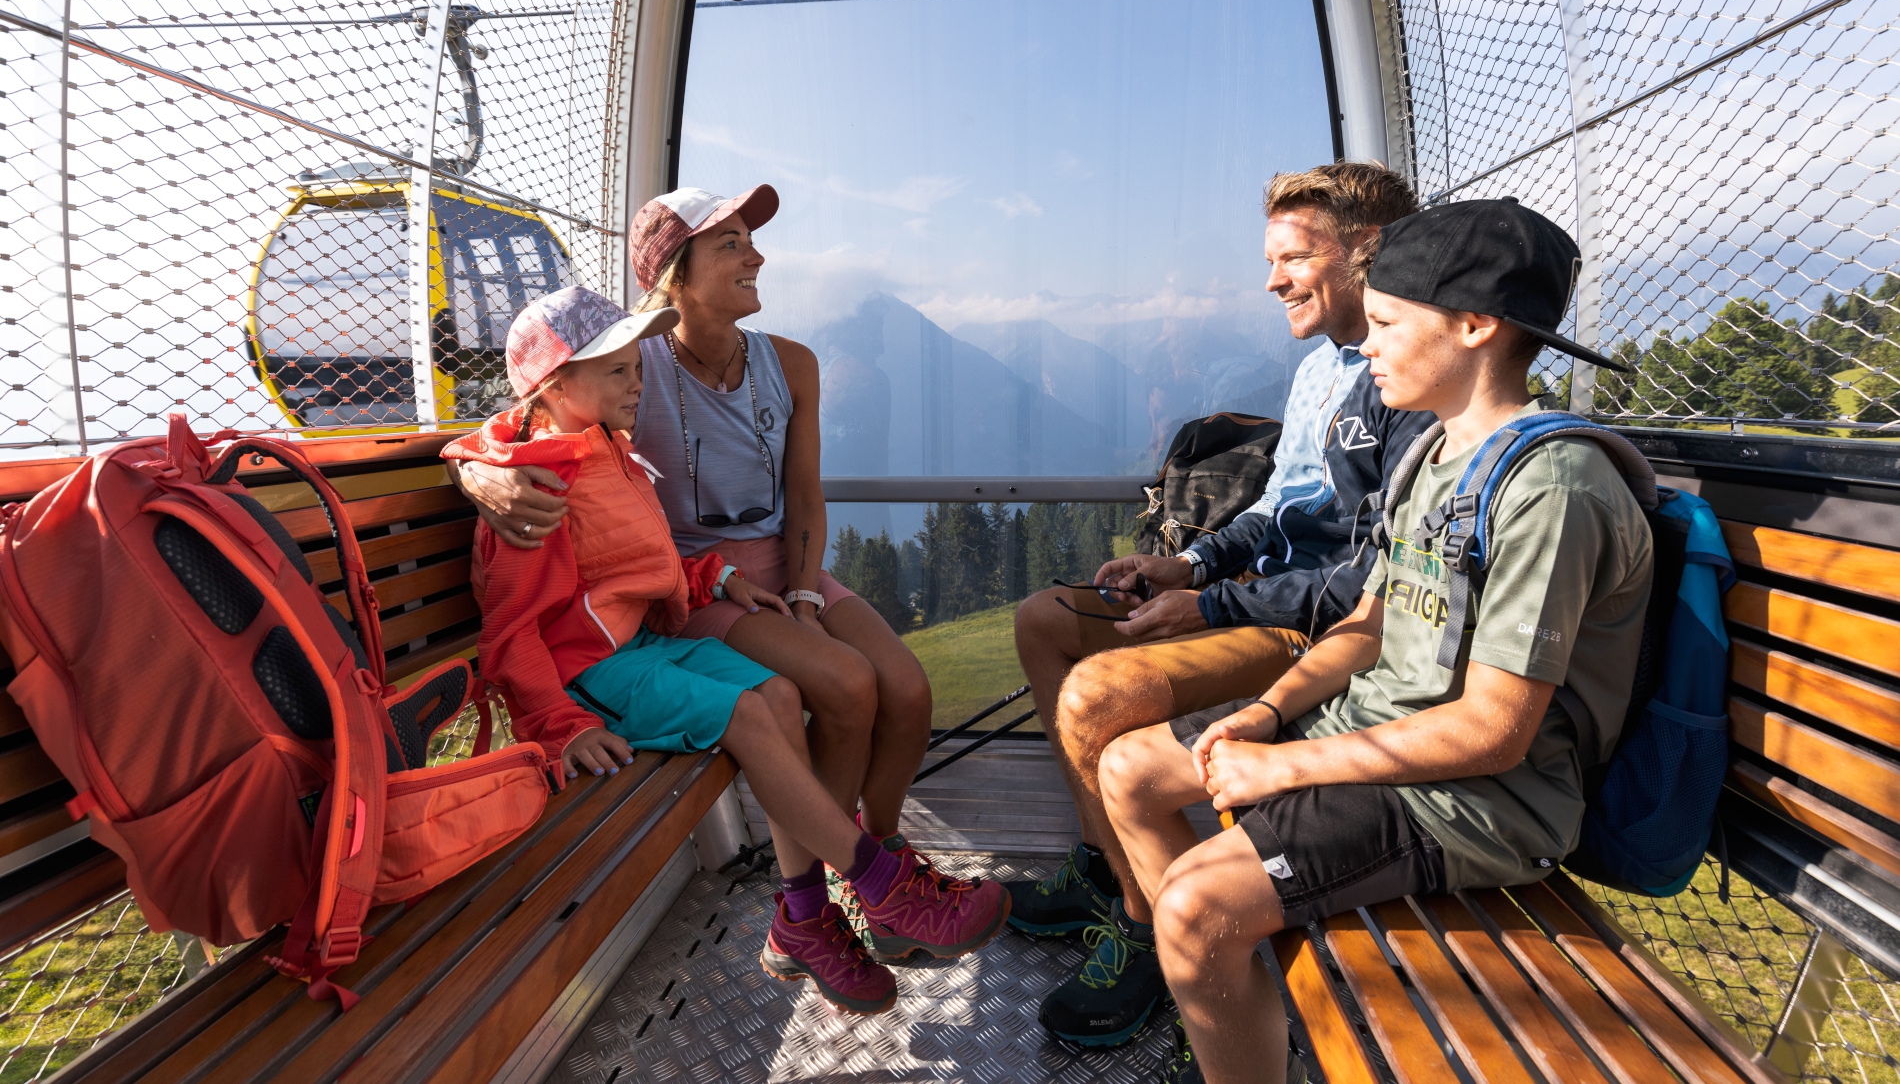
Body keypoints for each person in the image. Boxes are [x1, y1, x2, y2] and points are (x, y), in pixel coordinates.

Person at [1099, 200, 1650, 1084]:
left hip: (1470, 798)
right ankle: (1228, 1009)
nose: (1371, 348)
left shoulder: (1554, 490)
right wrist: (1268, 714)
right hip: (1372, 734)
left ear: (1474, 326)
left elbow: (1493, 732)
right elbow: (1367, 624)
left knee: (1196, 906)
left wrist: (1282, 768)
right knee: (1129, 768)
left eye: (1388, 324)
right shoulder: (1434, 457)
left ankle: (1223, 1000)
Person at [444, 286, 1008, 1016]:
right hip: (589, 676)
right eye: (617, 370)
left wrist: (715, 578)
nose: (636, 382)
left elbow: (632, 565)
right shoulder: (537, 491)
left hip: (639, 646)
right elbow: (511, 632)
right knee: (748, 712)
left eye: (635, 366)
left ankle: (805, 918)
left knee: (779, 694)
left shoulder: (610, 453)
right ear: (554, 386)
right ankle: (881, 883)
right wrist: (563, 726)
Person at [1005, 164, 1436, 1047]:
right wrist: (1190, 566)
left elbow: (1375, 580)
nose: (1272, 281)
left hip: (1315, 626)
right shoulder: (1318, 372)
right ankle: (1103, 865)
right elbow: (1276, 509)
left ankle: (1144, 928)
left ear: (1367, 252)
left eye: (1293, 258)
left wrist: (1215, 608)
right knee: (1043, 622)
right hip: (1251, 595)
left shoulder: (1411, 382)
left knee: (1096, 700)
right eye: (1271, 259)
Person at [448, 185, 941, 893]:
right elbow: (526, 417)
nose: (756, 257)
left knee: (908, 689)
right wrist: (476, 473)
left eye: (751, 241)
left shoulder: (789, 364)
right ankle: (841, 885)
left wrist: (806, 598)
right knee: (847, 684)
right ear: (674, 273)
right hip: (694, 579)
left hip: (778, 565)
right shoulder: (633, 367)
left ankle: (878, 843)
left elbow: (804, 496)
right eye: (731, 244)